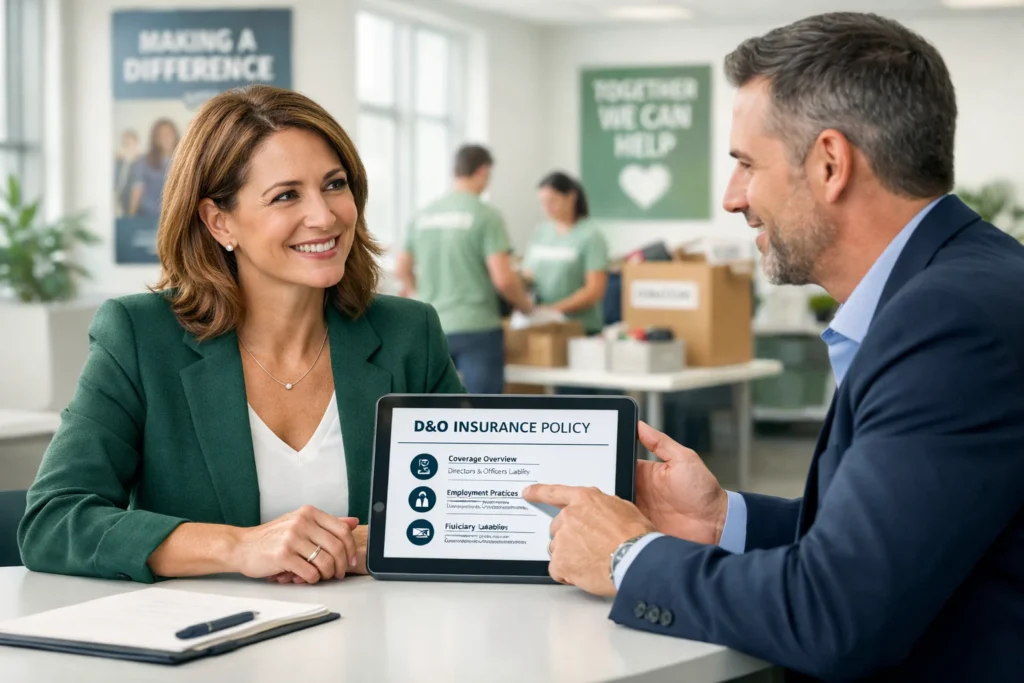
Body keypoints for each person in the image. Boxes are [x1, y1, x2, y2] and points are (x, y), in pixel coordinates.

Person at [524, 12, 1024, 682]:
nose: (732, 198)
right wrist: (720, 519)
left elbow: (835, 612)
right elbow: (893, 536)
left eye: (745, 164)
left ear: (829, 163)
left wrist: (627, 557)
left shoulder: (948, 323)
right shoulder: (960, 284)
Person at [18, 85, 465, 585]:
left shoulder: (409, 333)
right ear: (219, 222)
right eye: (286, 195)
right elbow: (54, 520)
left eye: (334, 184)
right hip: (205, 631)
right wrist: (239, 546)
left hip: (379, 627)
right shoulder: (139, 336)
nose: (325, 216)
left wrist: (382, 540)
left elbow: (469, 506)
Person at [395, 144, 533, 395]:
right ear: (483, 171)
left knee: (434, 410)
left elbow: (401, 268)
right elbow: (503, 279)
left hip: (432, 325)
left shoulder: (422, 215)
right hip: (477, 328)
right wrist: (526, 307)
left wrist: (422, 294)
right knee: (482, 411)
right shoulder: (486, 215)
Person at [524, 172, 609, 335]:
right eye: (542, 202)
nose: (547, 208)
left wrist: (553, 309)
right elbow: (528, 275)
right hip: (541, 326)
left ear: (571, 197)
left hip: (579, 328)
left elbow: (595, 290)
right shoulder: (540, 232)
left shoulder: (590, 236)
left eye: (552, 201)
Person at [127, 118, 180, 218]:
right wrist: (130, 217)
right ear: (155, 139)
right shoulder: (143, 161)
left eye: (169, 134)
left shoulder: (184, 161)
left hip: (175, 217)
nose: (166, 138)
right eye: (162, 135)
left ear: (175, 136)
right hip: (148, 216)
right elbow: (137, 189)